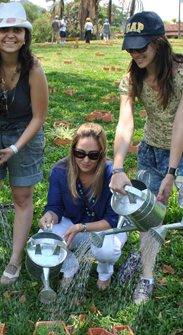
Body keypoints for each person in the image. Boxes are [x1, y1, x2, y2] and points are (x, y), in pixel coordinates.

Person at [110, 11, 183, 307]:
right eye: (130, 48)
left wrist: (172, 173)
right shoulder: (132, 78)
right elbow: (125, 123)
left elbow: (180, 127)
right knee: (149, 213)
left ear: (159, 43)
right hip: (152, 151)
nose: (135, 54)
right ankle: (146, 277)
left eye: (141, 47)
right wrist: (118, 167)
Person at [0, 2, 48, 285]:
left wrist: (15, 148)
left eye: (17, 29)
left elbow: (39, 117)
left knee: (22, 197)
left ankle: (14, 260)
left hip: (24, 133)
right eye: (3, 29)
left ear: (25, 35)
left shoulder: (33, 69)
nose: (10, 35)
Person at [38, 123, 124, 289]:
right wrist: (49, 216)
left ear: (102, 154)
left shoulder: (111, 173)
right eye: (80, 153)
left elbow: (113, 220)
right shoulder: (60, 171)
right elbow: (55, 207)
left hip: (105, 228)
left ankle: (105, 271)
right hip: (73, 224)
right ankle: (69, 265)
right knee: (44, 239)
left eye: (93, 155)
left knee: (106, 250)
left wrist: (81, 227)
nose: (85, 160)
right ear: (72, 151)